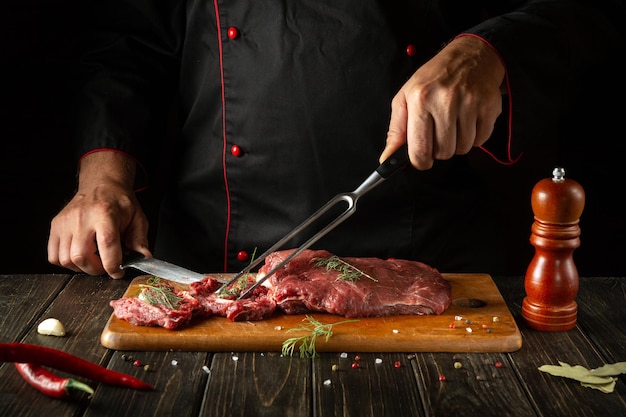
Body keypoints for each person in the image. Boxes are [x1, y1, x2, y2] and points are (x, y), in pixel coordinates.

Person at [47, 0, 625, 279]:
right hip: (213, 261)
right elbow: (125, 45)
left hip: (427, 256)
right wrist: (101, 181)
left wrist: (489, 51)